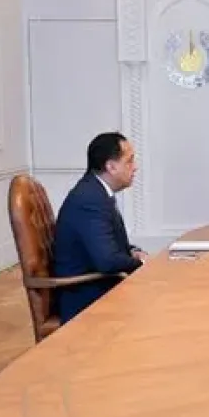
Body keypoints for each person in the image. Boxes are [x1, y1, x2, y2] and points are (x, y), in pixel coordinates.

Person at [52, 132, 148, 324]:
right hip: (88, 299)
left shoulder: (95, 192)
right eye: (129, 161)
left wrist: (132, 251)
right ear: (111, 167)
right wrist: (142, 263)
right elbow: (107, 261)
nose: (135, 167)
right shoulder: (90, 199)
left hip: (99, 286)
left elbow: (108, 245)